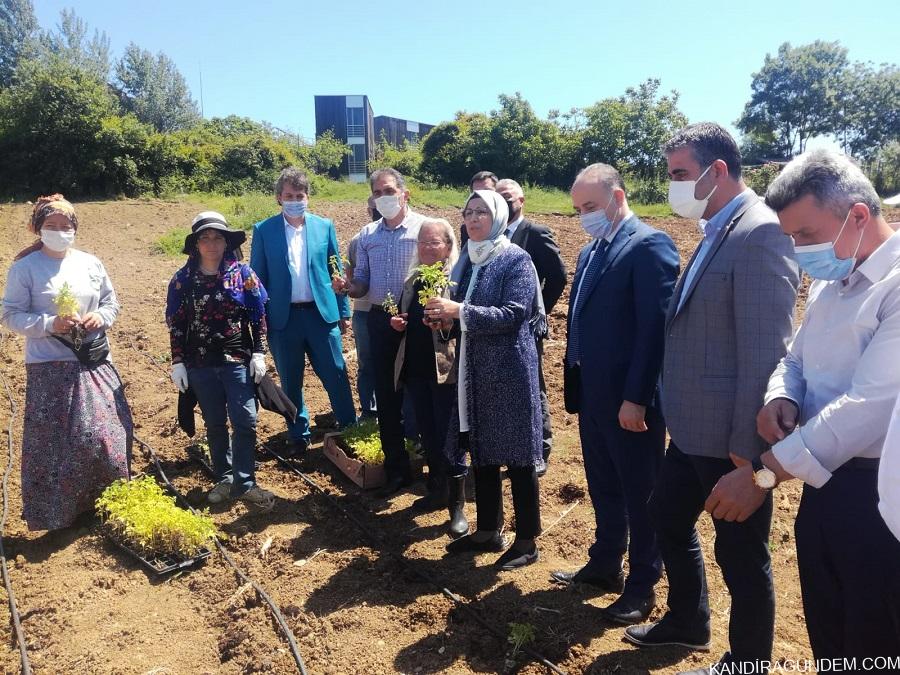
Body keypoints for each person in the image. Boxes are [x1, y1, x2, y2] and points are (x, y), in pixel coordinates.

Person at [705, 150, 900, 667]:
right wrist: (782, 395)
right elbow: (795, 359)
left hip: (880, 497)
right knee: (829, 625)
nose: (798, 250)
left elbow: (871, 406)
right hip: (824, 486)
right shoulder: (829, 286)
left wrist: (765, 474)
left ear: (858, 215)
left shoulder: (896, 287)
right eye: (790, 237)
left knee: (873, 636)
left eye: (806, 235)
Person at [625, 123, 799, 675]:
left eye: (680, 174)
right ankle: (688, 621)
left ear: (716, 171)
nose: (674, 185)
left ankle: (749, 664)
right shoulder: (716, 229)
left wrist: (750, 457)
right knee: (666, 518)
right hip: (693, 431)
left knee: (743, 559)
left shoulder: (760, 232)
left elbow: (766, 351)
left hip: (732, 441)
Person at [551, 164, 679, 625]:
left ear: (617, 197)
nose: (584, 216)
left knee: (642, 493)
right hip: (593, 394)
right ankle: (606, 562)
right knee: (604, 485)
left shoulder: (649, 245)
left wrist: (637, 397)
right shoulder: (591, 252)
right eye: (578, 209)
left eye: (590, 206)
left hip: (631, 401)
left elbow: (655, 330)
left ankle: (643, 585)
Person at [428, 190, 545, 570]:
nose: (474, 218)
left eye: (482, 212)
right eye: (468, 212)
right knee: (482, 447)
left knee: (519, 455)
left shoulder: (516, 259)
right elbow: (467, 315)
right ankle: (487, 530)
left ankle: (526, 540)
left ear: (497, 216)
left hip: (509, 370)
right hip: (474, 369)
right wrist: (447, 319)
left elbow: (513, 314)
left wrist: (458, 311)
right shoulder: (469, 259)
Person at [1, 195, 132, 530]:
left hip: (94, 360)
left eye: (66, 226)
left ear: (75, 229)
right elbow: (10, 315)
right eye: (52, 226)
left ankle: (106, 504)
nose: (60, 231)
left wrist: (99, 317)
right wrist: (49, 324)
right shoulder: (25, 268)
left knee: (106, 436)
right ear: (38, 228)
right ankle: (60, 514)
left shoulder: (90, 263)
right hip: (51, 365)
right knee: (57, 444)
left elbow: (110, 302)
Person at [166, 211, 275, 510]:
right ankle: (225, 477)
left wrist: (259, 352)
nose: (212, 243)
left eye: (218, 238)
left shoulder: (243, 274)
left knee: (245, 420)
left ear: (227, 242)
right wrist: (177, 361)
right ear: (196, 244)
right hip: (199, 362)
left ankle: (245, 481)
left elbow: (259, 315)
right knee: (214, 423)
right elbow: (176, 323)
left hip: (236, 358)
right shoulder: (183, 280)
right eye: (205, 238)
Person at [333, 168, 427, 497]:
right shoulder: (368, 235)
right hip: (379, 318)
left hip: (417, 321)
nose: (383, 197)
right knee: (387, 398)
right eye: (377, 192)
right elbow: (362, 284)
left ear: (405, 193)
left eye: (389, 190)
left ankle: (428, 462)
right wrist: (347, 287)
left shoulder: (424, 229)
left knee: (422, 393)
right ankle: (396, 469)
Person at [250, 167, 356, 456]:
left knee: (336, 373)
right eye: (288, 195)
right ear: (279, 198)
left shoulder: (324, 226)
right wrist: (258, 321)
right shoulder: (264, 230)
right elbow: (257, 280)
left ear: (307, 197)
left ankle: (349, 426)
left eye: (300, 195)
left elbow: (336, 271)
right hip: (283, 319)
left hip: (321, 315)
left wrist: (343, 311)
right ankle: (299, 433)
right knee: (290, 378)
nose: (294, 200)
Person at [390, 218, 468, 537]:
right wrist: (400, 322)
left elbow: (464, 324)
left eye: (433, 243)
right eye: (421, 243)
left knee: (450, 435)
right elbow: (409, 318)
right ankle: (436, 490)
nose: (426, 248)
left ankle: (457, 506)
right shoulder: (414, 279)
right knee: (428, 432)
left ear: (448, 247)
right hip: (418, 369)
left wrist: (446, 323)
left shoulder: (456, 281)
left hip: (445, 372)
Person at [495, 178, 567, 471]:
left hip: (525, 328)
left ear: (521, 200)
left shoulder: (535, 233)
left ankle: (541, 447)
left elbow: (558, 276)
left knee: (532, 386)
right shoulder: (489, 234)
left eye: (509, 197)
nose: (505, 202)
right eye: (499, 197)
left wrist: (538, 313)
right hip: (496, 325)